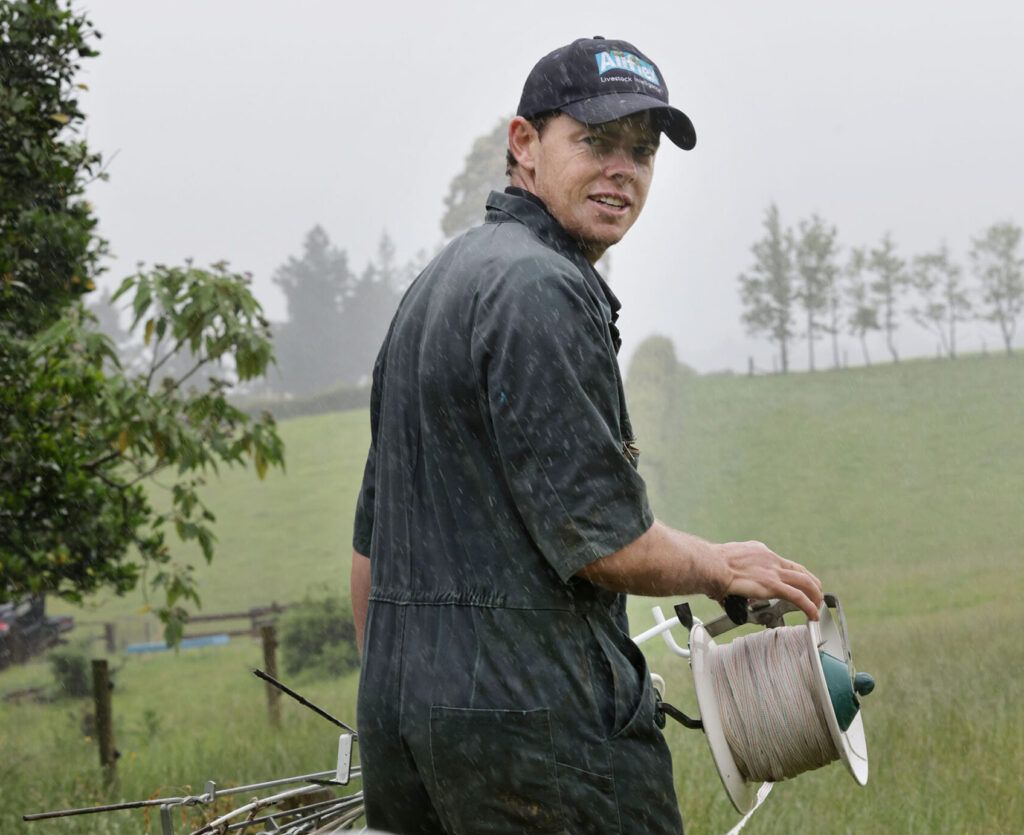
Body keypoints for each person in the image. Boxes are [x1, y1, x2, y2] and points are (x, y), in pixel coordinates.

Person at [350, 36, 823, 834]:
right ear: (524, 145)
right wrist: (720, 563)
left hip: (406, 736)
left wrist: (421, 703)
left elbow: (368, 557)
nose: (622, 170)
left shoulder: (438, 284)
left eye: (641, 152)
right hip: (543, 739)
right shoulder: (542, 287)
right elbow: (603, 542)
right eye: (595, 141)